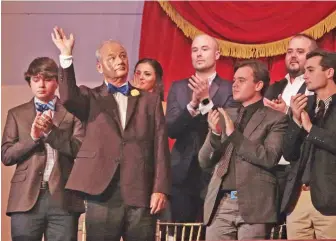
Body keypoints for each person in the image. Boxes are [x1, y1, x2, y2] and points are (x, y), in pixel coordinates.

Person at [51, 26, 171, 241]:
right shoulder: (91, 97)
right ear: (99, 66)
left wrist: (160, 188)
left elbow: (160, 146)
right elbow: (68, 97)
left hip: (140, 191)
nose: (119, 61)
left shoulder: (149, 101)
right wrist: (66, 56)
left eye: (123, 56)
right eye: (112, 57)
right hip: (102, 193)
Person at [199, 60, 288, 240]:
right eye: (233, 80)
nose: (235, 84)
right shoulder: (226, 114)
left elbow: (269, 157)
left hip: (254, 204)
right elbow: (204, 160)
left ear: (258, 85)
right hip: (220, 202)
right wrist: (215, 135)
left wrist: (234, 135)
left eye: (241, 80)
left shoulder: (276, 119)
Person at [1, 57, 85, 241]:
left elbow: (79, 149)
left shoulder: (72, 113)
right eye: (36, 79)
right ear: (29, 82)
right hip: (25, 198)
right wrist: (33, 138)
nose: (41, 84)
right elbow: (6, 155)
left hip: (64, 197)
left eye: (47, 79)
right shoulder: (17, 114)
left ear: (56, 82)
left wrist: (50, 133)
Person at [166, 34, 235, 225]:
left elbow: (223, 127)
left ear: (217, 54)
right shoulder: (179, 87)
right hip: (182, 172)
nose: (199, 54)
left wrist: (205, 100)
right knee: (181, 230)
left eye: (205, 49)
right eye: (195, 50)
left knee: (213, 229)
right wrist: (192, 106)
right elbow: (171, 129)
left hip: (216, 169)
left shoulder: (230, 88)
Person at [281, 49, 336, 239]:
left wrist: (311, 129)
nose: (305, 76)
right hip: (298, 199)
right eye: (305, 71)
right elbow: (288, 153)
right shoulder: (303, 105)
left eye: (311, 70)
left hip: (331, 200)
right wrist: (296, 121)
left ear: (329, 72)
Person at [263, 34, 318, 224]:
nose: (293, 56)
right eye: (290, 51)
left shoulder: (316, 87)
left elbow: (315, 124)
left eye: (300, 52)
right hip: (271, 166)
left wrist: (286, 111)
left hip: (299, 168)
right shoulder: (274, 87)